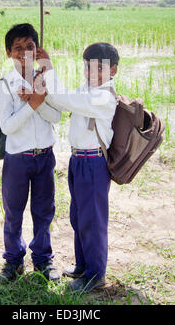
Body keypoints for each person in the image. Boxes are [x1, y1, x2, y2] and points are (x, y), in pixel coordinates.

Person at [36, 42, 119, 293]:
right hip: (77, 161)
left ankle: (95, 276)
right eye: (88, 68)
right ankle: (83, 266)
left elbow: (67, 99)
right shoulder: (87, 89)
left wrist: (49, 68)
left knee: (92, 221)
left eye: (99, 70)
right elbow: (62, 103)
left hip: (94, 163)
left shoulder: (104, 96)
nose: (92, 74)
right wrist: (42, 85)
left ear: (113, 71)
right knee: (78, 217)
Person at [0, 23, 62, 283]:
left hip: (44, 156)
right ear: (9, 53)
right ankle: (13, 261)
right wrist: (32, 104)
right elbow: (8, 126)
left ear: (38, 50)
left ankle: (43, 259)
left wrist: (38, 99)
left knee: (44, 211)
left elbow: (56, 117)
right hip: (17, 159)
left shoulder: (44, 79)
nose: (24, 53)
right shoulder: (5, 84)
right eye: (18, 48)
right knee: (13, 212)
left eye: (30, 47)